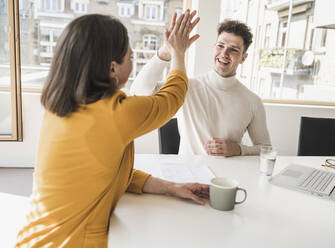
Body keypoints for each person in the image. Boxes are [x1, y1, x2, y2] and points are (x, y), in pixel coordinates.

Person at [15, 11, 209, 248]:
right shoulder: (117, 114)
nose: (132, 61)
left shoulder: (60, 109)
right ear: (112, 68)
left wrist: (170, 187)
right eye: (131, 56)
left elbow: (106, 173)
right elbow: (172, 97)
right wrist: (179, 53)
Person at [131, 17, 271, 157]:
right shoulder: (186, 87)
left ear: (243, 58)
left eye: (233, 49)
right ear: (214, 47)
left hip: (227, 177)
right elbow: (139, 93)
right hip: (187, 175)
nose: (224, 53)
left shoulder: (252, 101)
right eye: (220, 46)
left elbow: (266, 149)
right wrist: (166, 52)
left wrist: (238, 149)